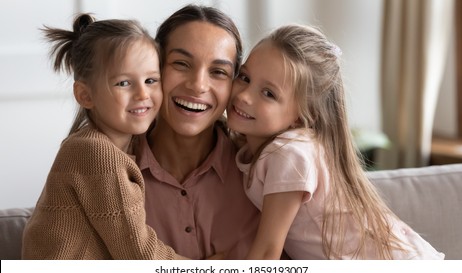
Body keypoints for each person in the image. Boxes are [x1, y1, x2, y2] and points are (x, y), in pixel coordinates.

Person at [226, 24, 445, 260]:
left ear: (301, 116)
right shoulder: (263, 147)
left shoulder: (288, 154)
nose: (244, 96)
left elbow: (267, 253)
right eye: (244, 77)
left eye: (269, 93)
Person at [22, 13, 187, 260]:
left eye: (151, 80)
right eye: (123, 83)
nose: (143, 93)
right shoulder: (96, 153)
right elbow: (140, 255)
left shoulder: (105, 144)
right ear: (85, 95)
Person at [134, 4, 260, 259]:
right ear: (154, 68)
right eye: (181, 63)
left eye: (218, 72)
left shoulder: (263, 169)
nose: (198, 85)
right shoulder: (107, 172)